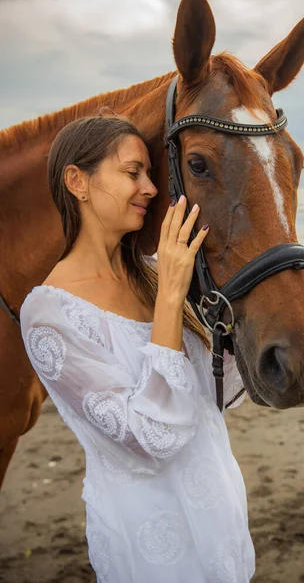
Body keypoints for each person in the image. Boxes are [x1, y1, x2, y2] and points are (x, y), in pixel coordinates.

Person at [19, 114, 255, 582]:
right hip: (151, 539)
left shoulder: (152, 270)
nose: (150, 188)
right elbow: (149, 439)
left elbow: (218, 392)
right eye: (132, 173)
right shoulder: (48, 314)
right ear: (77, 181)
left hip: (219, 516)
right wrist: (171, 293)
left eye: (150, 173)